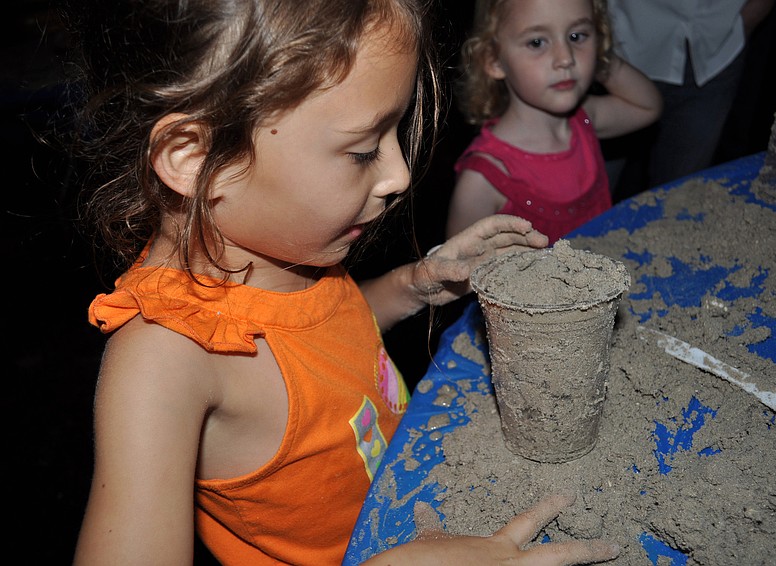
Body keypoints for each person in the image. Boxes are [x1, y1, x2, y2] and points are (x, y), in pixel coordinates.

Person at [66, 0, 621, 565]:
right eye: (361, 151)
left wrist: (412, 285)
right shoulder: (162, 361)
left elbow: (325, 338)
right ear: (195, 158)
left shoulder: (283, 245)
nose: (399, 174)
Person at [445, 0, 662, 245]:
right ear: (494, 59)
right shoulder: (483, 179)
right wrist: (585, 47)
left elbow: (648, 106)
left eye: (577, 36)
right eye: (537, 42)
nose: (566, 58)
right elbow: (458, 273)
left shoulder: (583, 119)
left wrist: (596, 56)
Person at [605, 0, 776, 201]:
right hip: (623, 46)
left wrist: (745, 23)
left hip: (717, 50)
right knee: (589, 187)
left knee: (679, 198)